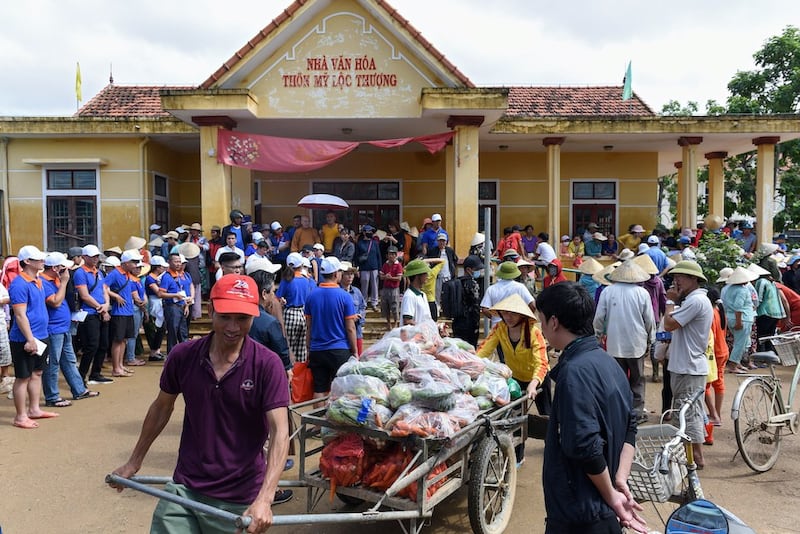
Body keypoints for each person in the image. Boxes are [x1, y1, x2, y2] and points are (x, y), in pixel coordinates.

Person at [109, 274, 291, 531]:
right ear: (210, 310)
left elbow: (280, 431)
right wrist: (134, 462)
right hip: (185, 489)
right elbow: (162, 407)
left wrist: (265, 498)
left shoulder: (267, 364)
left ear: (254, 316)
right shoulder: (183, 356)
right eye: (225, 316)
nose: (233, 327)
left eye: (242, 318)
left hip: (239, 497)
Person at [535, 282, 646, 534]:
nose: (542, 330)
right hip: (600, 512)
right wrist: (619, 479)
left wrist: (612, 496)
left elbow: (584, 445)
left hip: (579, 514)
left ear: (554, 322)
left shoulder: (574, 372)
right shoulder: (608, 361)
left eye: (541, 322)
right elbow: (631, 425)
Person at [477, 294, 549, 464]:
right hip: (515, 380)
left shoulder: (533, 332)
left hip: (537, 379)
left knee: (547, 415)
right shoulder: (500, 328)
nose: (508, 317)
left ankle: (553, 446)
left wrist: (533, 384)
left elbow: (542, 362)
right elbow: (484, 350)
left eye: (513, 313)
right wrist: (469, 365)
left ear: (522, 315)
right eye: (505, 313)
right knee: (516, 418)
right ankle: (518, 456)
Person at [663, 260, 713, 469]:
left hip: (689, 367)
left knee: (688, 415)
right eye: (675, 277)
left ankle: (696, 459)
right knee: (686, 413)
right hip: (686, 365)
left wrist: (669, 302)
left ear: (694, 279)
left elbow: (669, 324)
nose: (676, 281)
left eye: (681, 277)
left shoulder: (696, 301)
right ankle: (691, 456)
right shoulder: (694, 300)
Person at [593, 260, 656, 423]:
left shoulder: (608, 291)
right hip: (636, 343)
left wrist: (597, 335)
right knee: (637, 379)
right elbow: (649, 320)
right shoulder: (642, 293)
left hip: (614, 343)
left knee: (617, 379)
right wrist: (651, 339)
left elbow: (599, 317)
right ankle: (637, 412)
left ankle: (618, 410)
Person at [9, 246, 61, 428]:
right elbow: (20, 315)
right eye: (38, 259)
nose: (42, 261)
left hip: (41, 335)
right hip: (24, 338)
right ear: (27, 261)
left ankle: (34, 409)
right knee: (22, 377)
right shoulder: (19, 284)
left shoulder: (37, 281)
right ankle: (20, 416)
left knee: (37, 373)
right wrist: (30, 339)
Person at [41, 252, 100, 407]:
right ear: (55, 268)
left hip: (64, 327)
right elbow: (55, 302)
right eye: (63, 267)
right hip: (53, 329)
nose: (67, 270)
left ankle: (79, 389)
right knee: (52, 363)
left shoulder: (55, 280)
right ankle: (52, 396)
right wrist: (64, 282)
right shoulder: (45, 282)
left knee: (70, 360)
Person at [304, 257, 358, 402]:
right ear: (336, 274)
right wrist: (354, 351)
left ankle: (318, 424)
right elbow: (350, 328)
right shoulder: (345, 296)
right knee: (340, 389)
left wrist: (309, 348)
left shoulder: (311, 296)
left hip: (317, 349)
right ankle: (334, 423)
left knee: (319, 388)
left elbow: (309, 326)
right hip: (339, 350)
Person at [75, 244, 113, 385]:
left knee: (103, 344)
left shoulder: (99, 272)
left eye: (97, 256)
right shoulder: (80, 273)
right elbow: (84, 296)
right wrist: (101, 308)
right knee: (91, 345)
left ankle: (95, 373)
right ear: (84, 257)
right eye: (92, 257)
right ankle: (81, 375)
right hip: (89, 313)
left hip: (101, 311)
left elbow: (104, 291)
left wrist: (106, 305)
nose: (96, 259)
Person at [275, 253, 316, 364]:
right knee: (301, 349)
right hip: (303, 314)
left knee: (289, 347)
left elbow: (277, 297)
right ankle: (300, 376)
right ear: (301, 265)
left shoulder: (287, 279)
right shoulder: (305, 280)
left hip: (290, 313)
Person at [722, 266, 757, 374]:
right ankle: (733, 365)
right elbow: (738, 307)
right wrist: (739, 321)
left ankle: (736, 363)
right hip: (742, 319)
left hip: (732, 317)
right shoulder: (742, 290)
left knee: (743, 342)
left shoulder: (729, 288)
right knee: (740, 344)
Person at [448, 255, 483, 347]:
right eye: (476, 269)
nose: (478, 272)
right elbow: (475, 306)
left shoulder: (456, 282)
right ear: (468, 269)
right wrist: (476, 324)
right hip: (470, 323)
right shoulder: (472, 284)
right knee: (470, 351)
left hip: (457, 322)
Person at [340, 262, 367, 355]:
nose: (350, 276)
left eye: (351, 274)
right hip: (342, 334)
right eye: (347, 274)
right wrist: (350, 317)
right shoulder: (337, 292)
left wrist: (359, 317)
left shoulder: (357, 292)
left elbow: (363, 306)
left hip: (357, 332)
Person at [355, 225, 382, 310]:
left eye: (371, 232)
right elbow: (356, 257)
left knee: (374, 285)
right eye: (368, 232)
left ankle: (375, 302)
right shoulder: (359, 244)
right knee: (364, 285)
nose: (370, 233)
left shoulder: (375, 243)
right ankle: (364, 302)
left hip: (374, 266)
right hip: (363, 267)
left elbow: (378, 256)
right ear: (364, 232)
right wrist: (357, 268)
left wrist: (380, 268)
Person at [401, 259, 432, 326]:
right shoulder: (409, 296)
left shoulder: (423, 295)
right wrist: (423, 328)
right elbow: (407, 321)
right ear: (418, 276)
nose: (427, 276)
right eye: (425, 273)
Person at [379, 246, 403, 330]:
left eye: (393, 254)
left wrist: (389, 278)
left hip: (394, 289)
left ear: (396, 255)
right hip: (385, 288)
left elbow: (399, 278)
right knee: (385, 306)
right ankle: (388, 322)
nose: (391, 256)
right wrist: (386, 276)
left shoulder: (398, 265)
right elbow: (381, 276)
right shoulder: (385, 265)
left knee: (394, 306)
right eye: (390, 254)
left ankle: (396, 322)